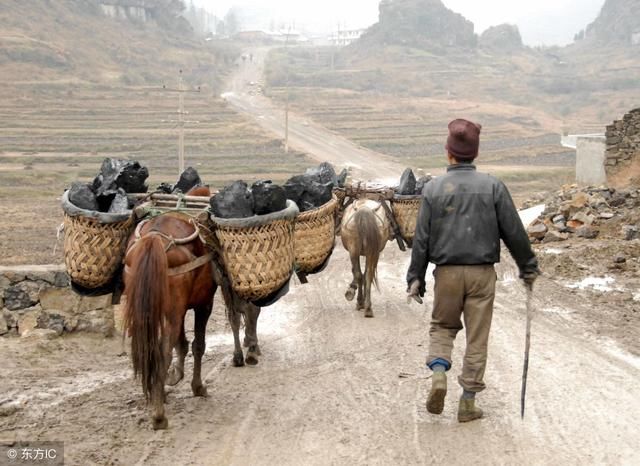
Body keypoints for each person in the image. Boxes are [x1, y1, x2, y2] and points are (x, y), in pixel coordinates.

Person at [406, 118, 539, 422]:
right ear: (475, 153)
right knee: (477, 338)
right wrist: (527, 267)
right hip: (482, 275)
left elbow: (422, 239)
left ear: (448, 152)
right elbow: (514, 233)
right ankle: (467, 402)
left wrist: (415, 277)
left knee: (442, 326)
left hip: (447, 275)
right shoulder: (494, 186)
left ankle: (439, 372)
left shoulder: (434, 189)